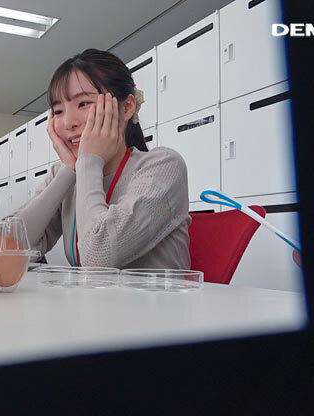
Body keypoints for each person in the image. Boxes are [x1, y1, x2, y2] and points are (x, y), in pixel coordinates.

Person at [12, 49, 191, 269]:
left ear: (127, 107)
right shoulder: (66, 174)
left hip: (153, 294)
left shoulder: (164, 166)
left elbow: (97, 258)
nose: (68, 122)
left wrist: (88, 161)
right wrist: (69, 172)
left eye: (83, 103)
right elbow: (8, 248)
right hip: (92, 294)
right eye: (58, 111)